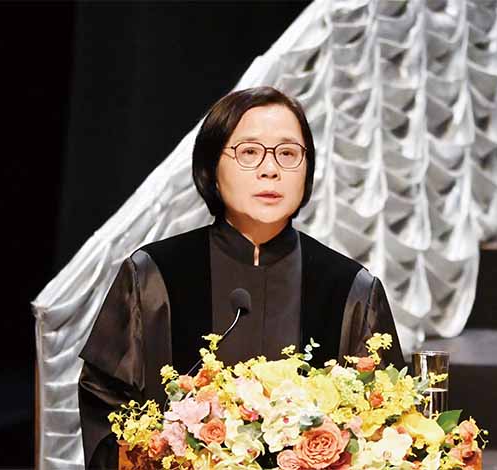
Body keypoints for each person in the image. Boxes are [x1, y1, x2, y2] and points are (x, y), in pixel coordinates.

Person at [77, 86, 405, 469]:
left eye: (288, 154)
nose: (271, 169)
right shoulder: (153, 275)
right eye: (249, 152)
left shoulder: (351, 289)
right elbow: (107, 408)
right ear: (211, 169)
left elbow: (387, 425)